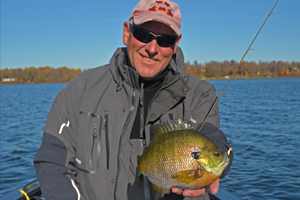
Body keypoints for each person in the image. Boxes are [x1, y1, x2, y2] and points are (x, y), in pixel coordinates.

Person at [34, 0, 233, 199]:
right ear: (127, 33)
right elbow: (52, 162)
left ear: (175, 44)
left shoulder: (201, 93)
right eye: (144, 35)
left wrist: (220, 162)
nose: (152, 48)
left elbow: (213, 139)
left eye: (165, 39)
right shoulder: (80, 90)